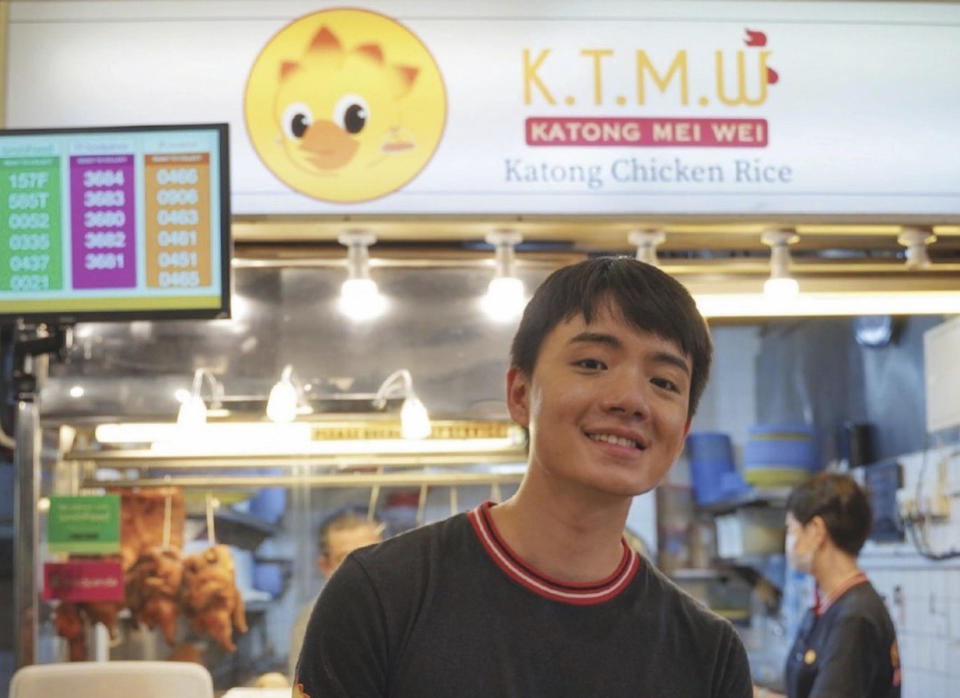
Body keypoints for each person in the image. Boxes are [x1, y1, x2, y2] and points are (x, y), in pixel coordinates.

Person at [294, 257, 752, 697]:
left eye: (664, 382)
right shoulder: (380, 596)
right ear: (519, 393)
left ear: (683, 430)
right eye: (593, 363)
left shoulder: (708, 654)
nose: (630, 399)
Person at [754, 473, 901, 698]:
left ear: (816, 531)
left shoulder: (855, 616)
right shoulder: (828, 606)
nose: (789, 542)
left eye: (792, 530)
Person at [287, 506, 384, 678]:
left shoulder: (413, 611)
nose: (362, 570)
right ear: (325, 566)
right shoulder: (310, 622)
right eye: (346, 560)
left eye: (372, 555)